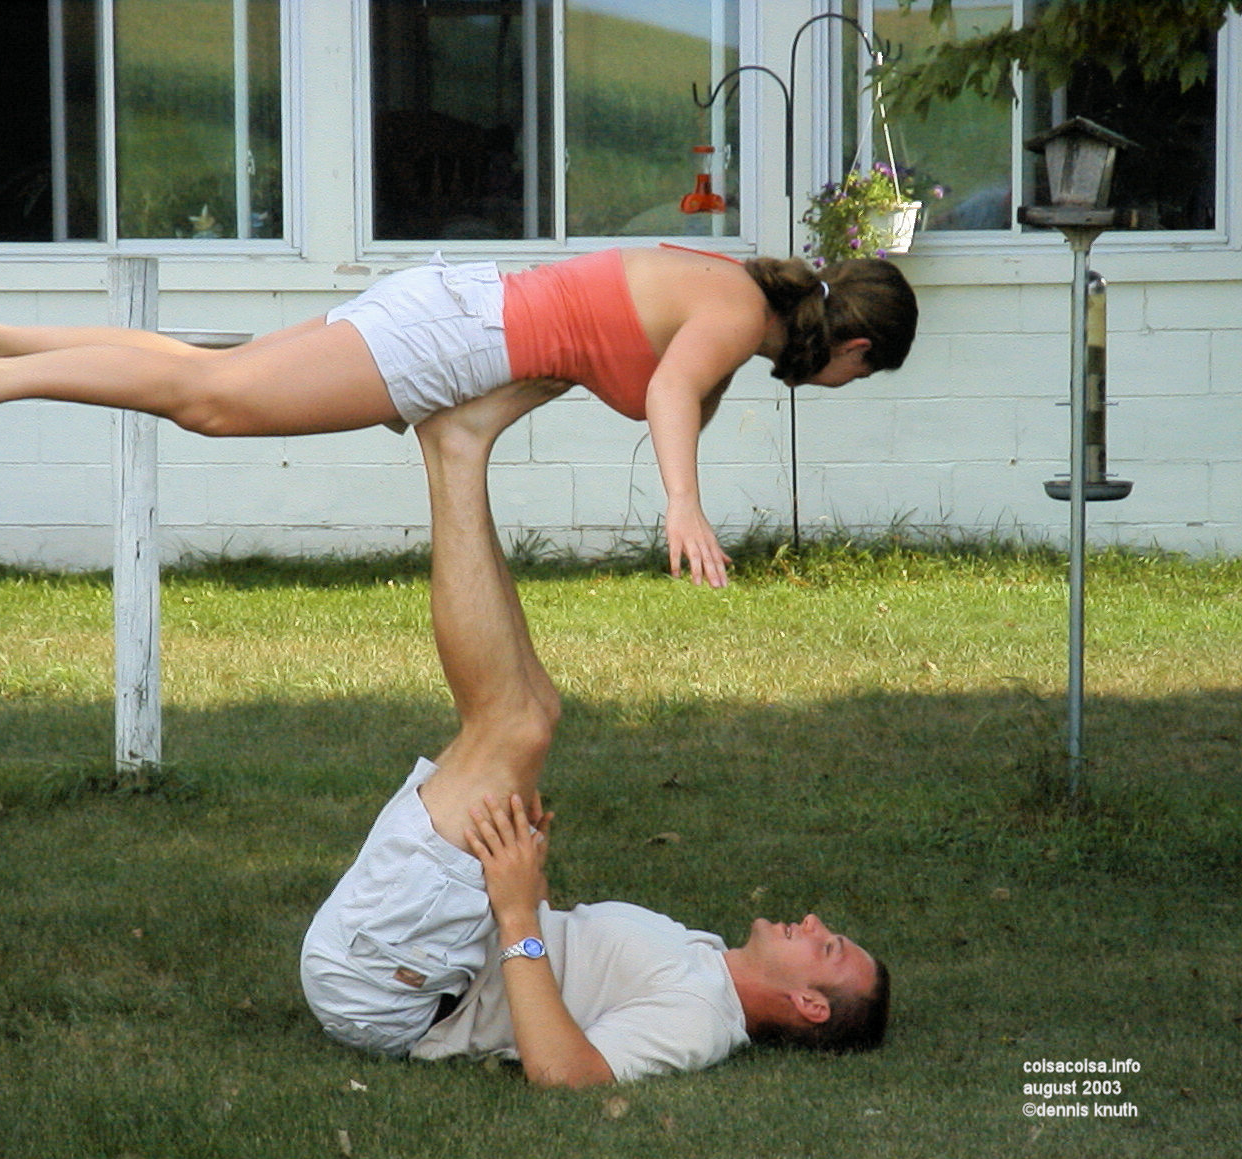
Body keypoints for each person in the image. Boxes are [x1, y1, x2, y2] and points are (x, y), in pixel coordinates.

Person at [299, 379, 889, 1088]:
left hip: (388, 986)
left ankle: (456, 446)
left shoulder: (702, 1020)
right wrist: (527, 874)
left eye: (829, 950)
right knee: (533, 709)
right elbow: (565, 976)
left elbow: (565, 1072)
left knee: (514, 724)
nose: (818, 922)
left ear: (806, 1006)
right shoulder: (705, 963)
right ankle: (456, 447)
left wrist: (517, 908)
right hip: (436, 945)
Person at [0, 248, 918, 588]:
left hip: (457, 320)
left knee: (214, 379)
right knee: (215, 403)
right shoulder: (735, 313)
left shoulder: (725, 288)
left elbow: (580, 355)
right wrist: (683, 507)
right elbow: (663, 393)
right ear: (857, 351)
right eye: (860, 380)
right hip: (454, 334)